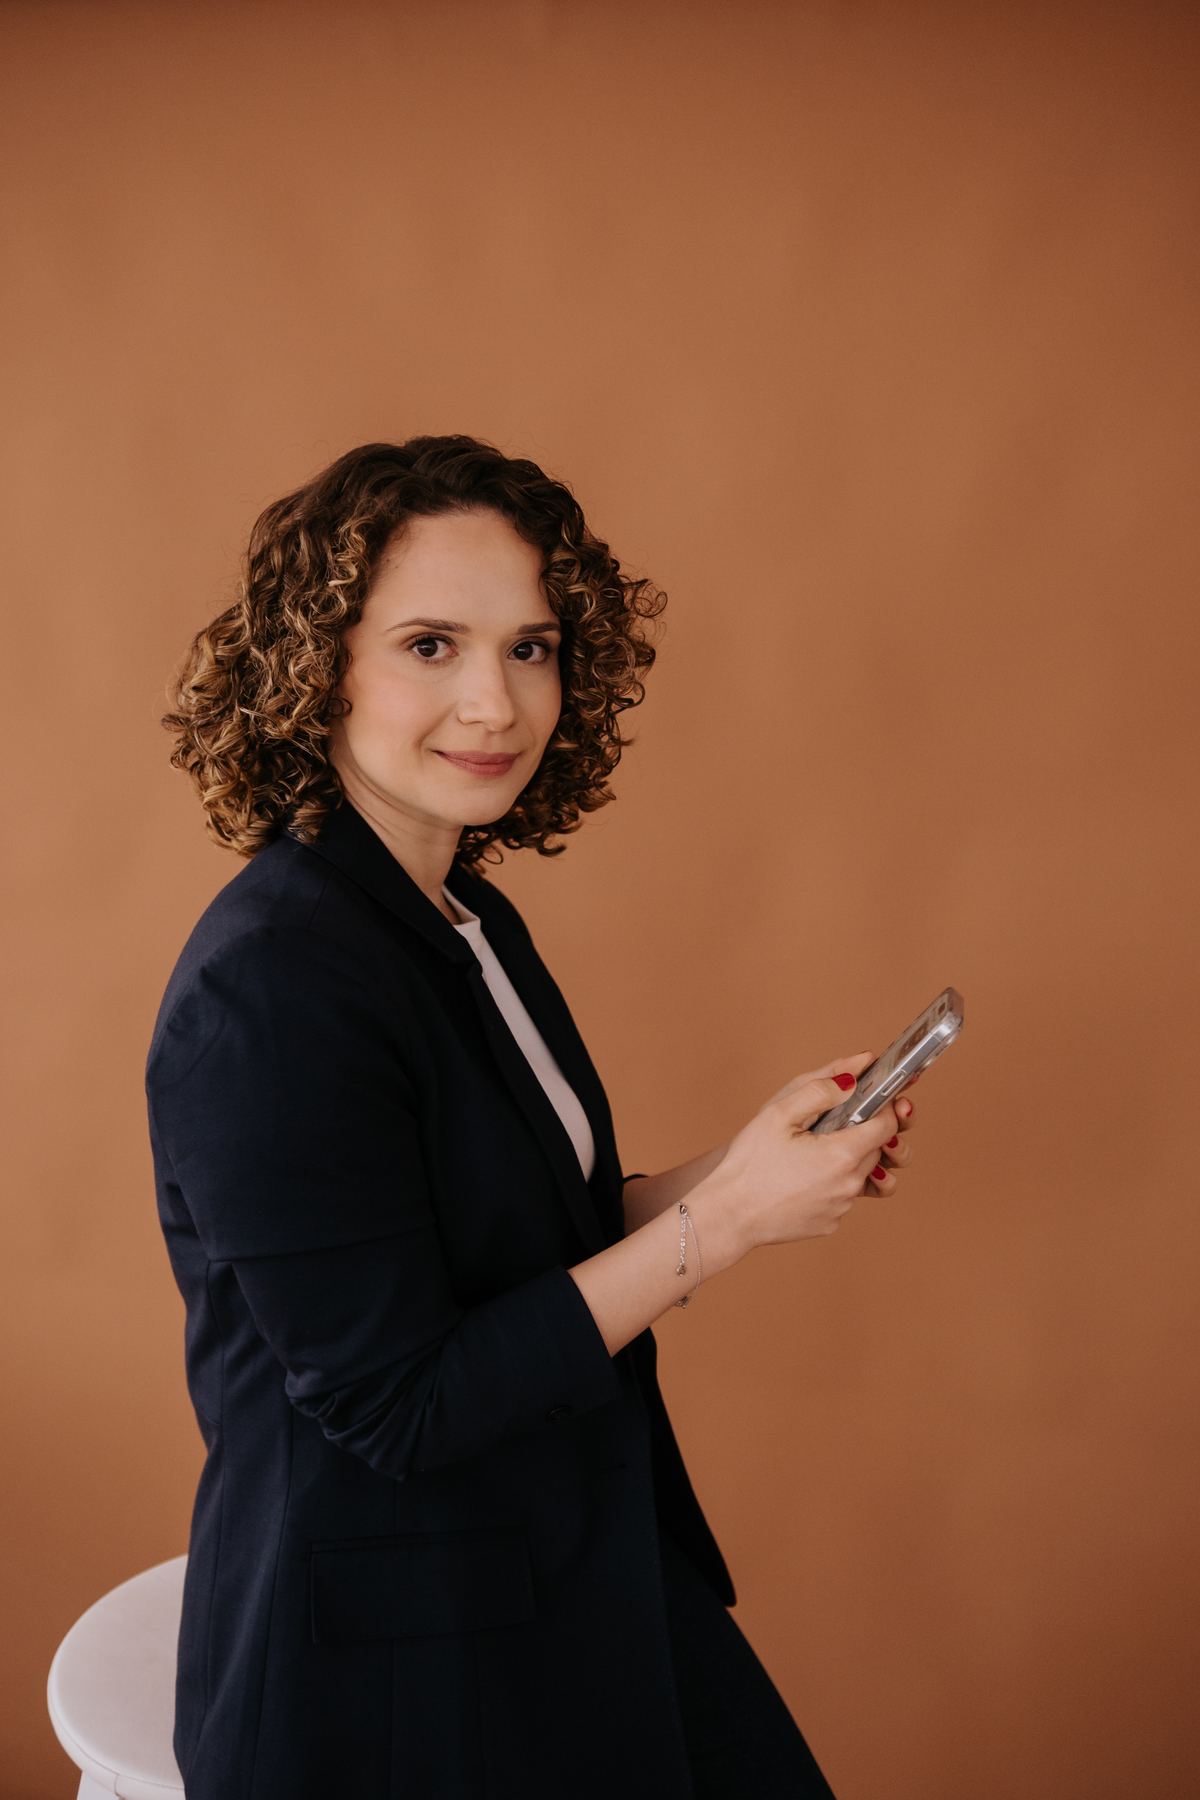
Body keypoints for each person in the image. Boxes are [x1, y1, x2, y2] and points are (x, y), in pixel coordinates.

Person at [148, 436, 915, 1800]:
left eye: (532, 647)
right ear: (318, 665)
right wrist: (732, 1224)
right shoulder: (272, 987)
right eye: (430, 646)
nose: (495, 702)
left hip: (563, 1553)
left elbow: (524, 1247)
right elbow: (399, 1403)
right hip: (396, 1672)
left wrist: (744, 1168)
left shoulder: (463, 916)